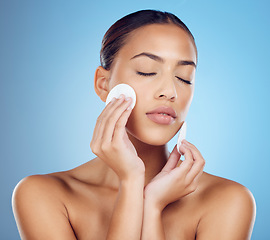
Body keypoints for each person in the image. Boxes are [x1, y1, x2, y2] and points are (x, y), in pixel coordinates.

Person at [12, 9, 256, 240]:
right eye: (147, 71)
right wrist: (130, 182)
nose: (169, 92)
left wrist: (152, 207)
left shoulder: (228, 200)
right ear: (103, 84)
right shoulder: (43, 195)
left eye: (184, 78)